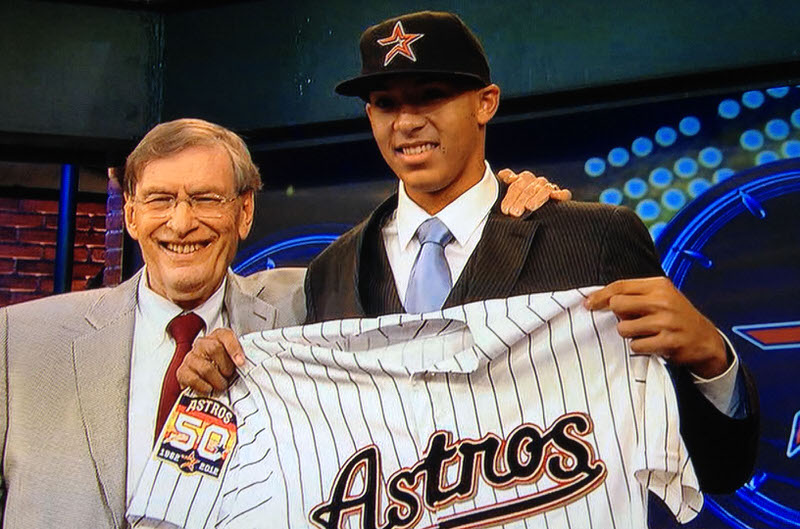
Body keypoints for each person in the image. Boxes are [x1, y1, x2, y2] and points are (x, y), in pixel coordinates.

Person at [0, 117, 560, 527]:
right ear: (130, 214)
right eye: (159, 200)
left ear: (244, 212)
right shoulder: (21, 341)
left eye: (206, 199)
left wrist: (494, 203)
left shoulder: (312, 299)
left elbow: (438, 331)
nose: (182, 221)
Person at [298, 10, 758, 494]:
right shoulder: (330, 272)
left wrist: (710, 360)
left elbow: (712, 469)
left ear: (485, 103)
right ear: (370, 116)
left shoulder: (593, 240)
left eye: (430, 96)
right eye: (386, 103)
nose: (407, 122)